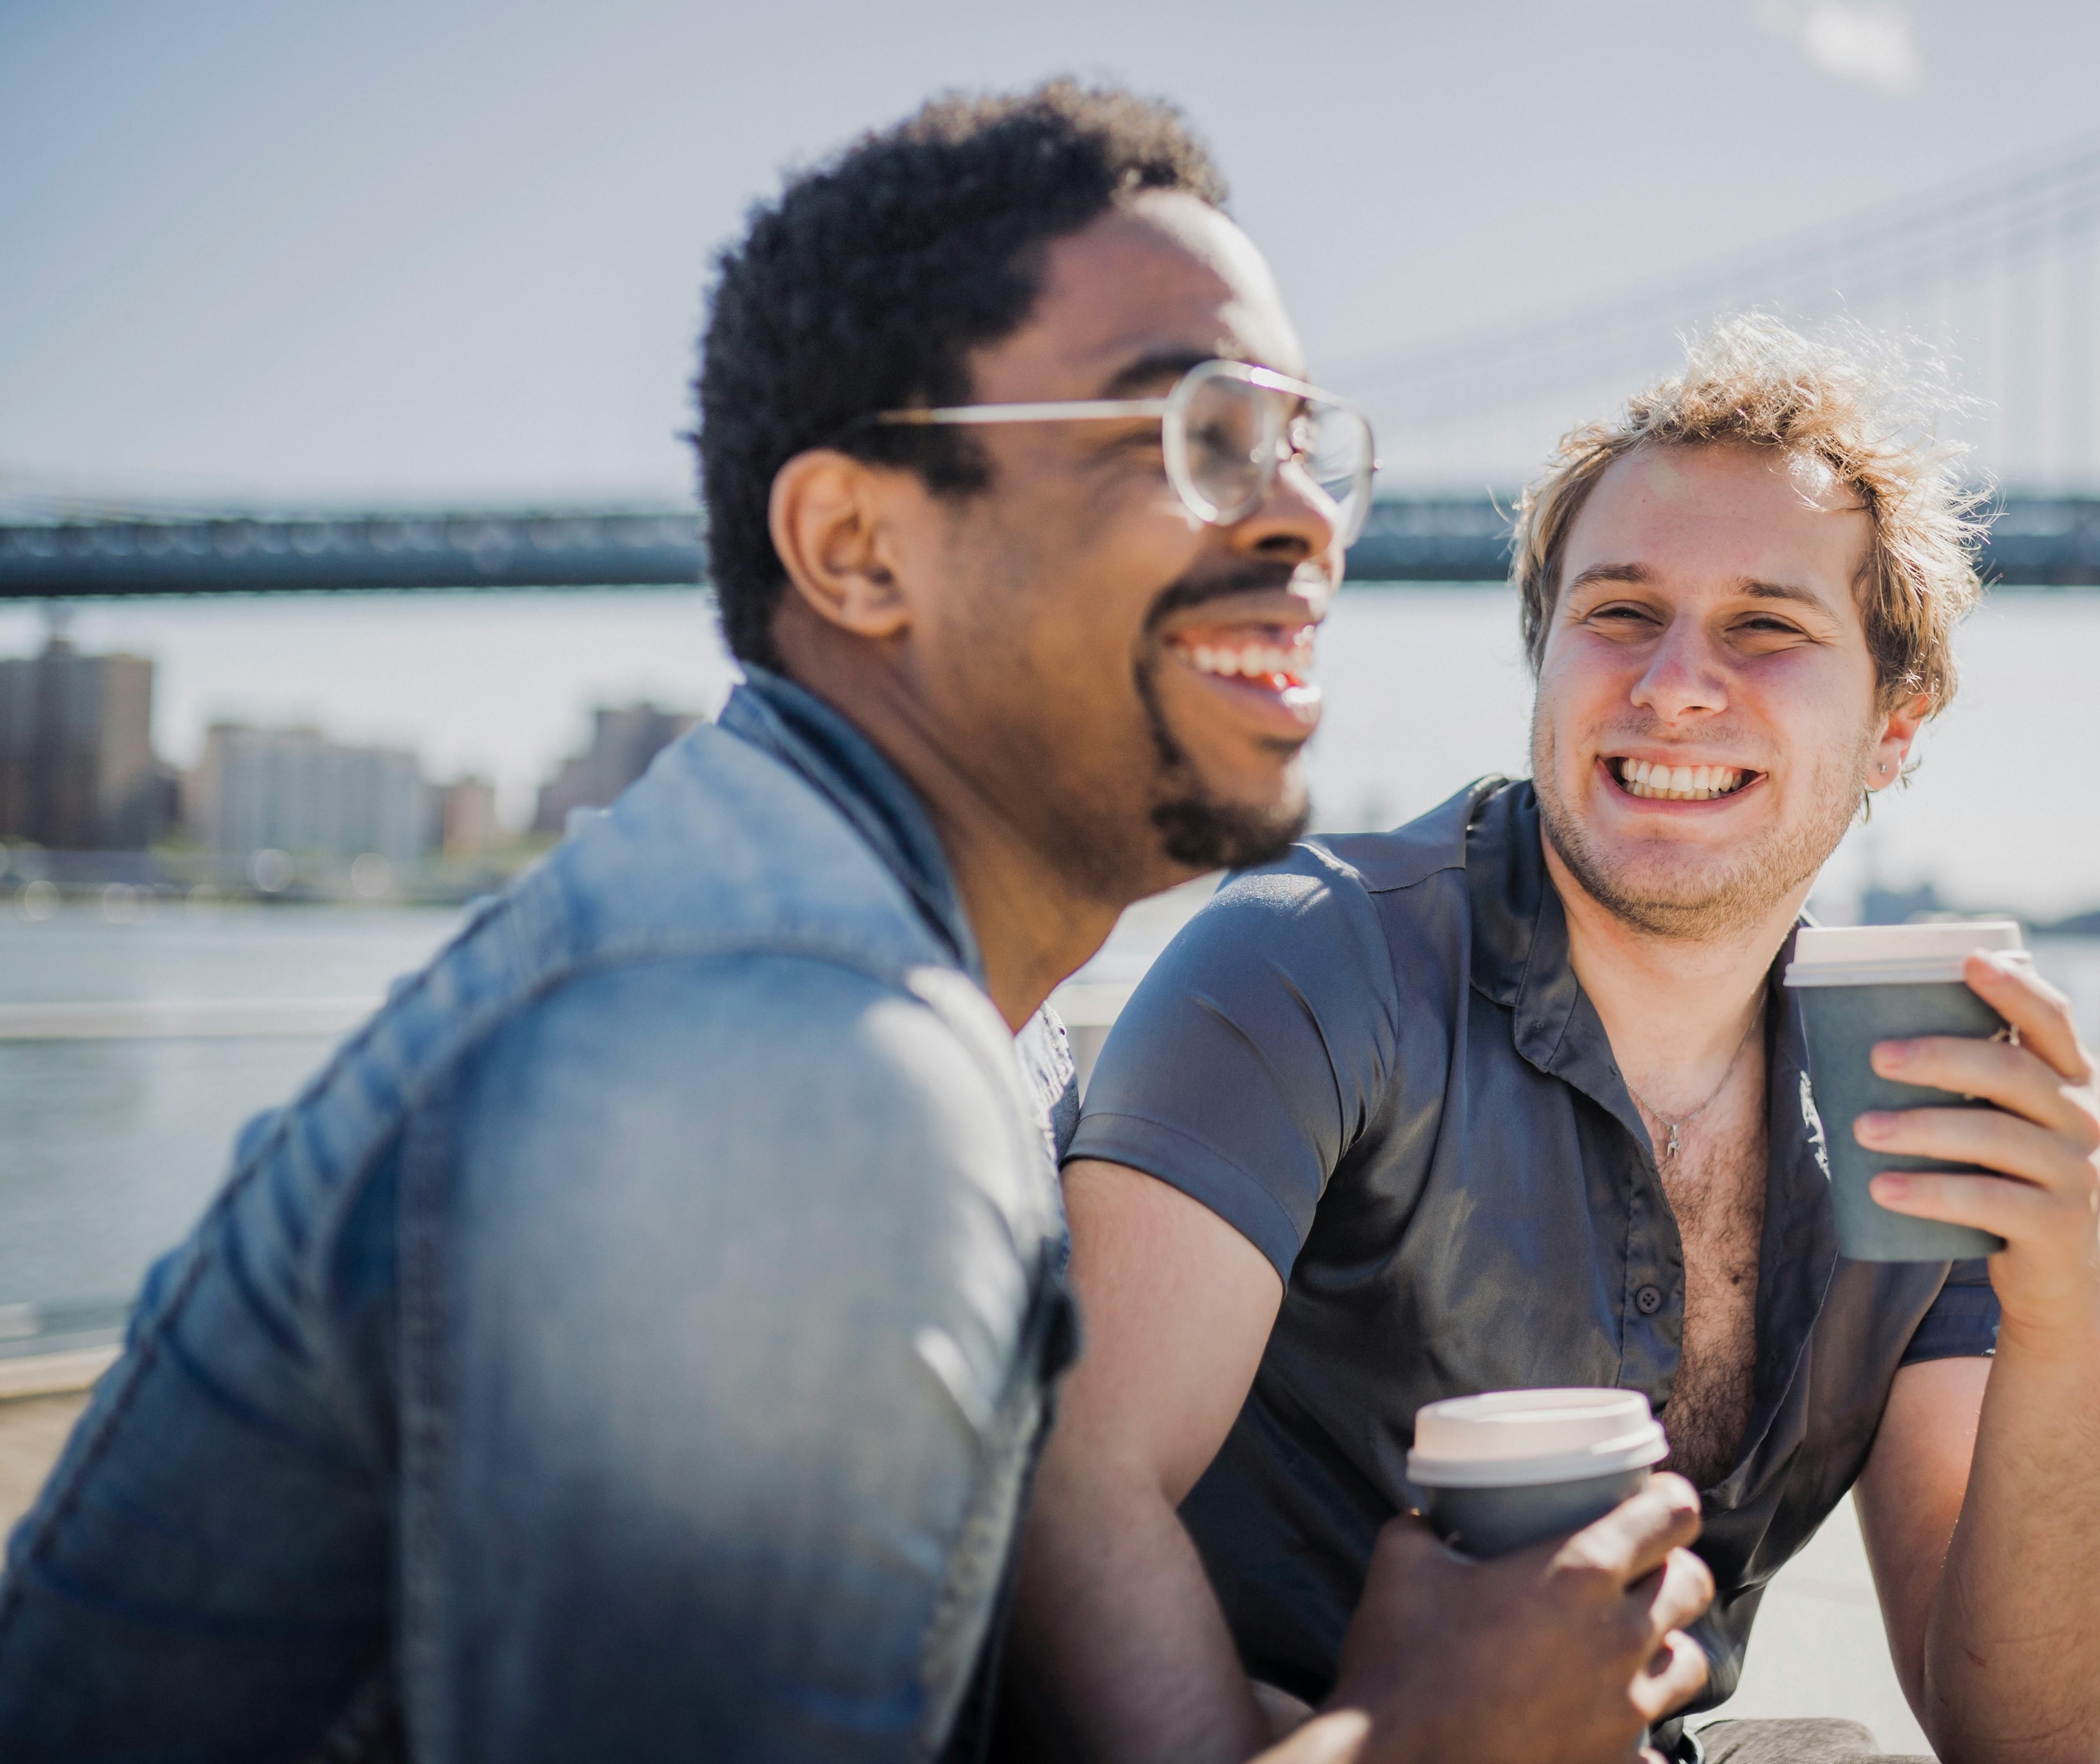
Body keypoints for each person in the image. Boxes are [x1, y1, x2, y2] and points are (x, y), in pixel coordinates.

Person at [0, 84, 1716, 1762]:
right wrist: (1418, 1738)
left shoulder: (925, 978)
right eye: (1188, 430)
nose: (1303, 523)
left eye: (1301, 446)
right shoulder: (792, 1070)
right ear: (853, 544)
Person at [1012, 316, 2100, 1764]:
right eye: (1619, 611)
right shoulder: (1306, 958)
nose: (1675, 682)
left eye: (1768, 626)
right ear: (1541, 654)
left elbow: (2027, 1736)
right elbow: (1077, 1489)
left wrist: (2071, 1300)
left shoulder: (1914, 1085)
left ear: (1896, 723)